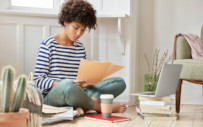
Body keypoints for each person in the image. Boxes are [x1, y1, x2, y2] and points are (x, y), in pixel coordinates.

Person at [34, 0, 127, 116]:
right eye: (76, 27)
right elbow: (38, 79)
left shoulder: (80, 47)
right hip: (55, 95)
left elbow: (81, 77)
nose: (79, 33)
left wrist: (86, 83)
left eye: (83, 30)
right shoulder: (48, 44)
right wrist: (68, 84)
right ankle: (101, 107)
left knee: (119, 82)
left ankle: (81, 106)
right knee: (67, 85)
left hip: (79, 92)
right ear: (66, 22)